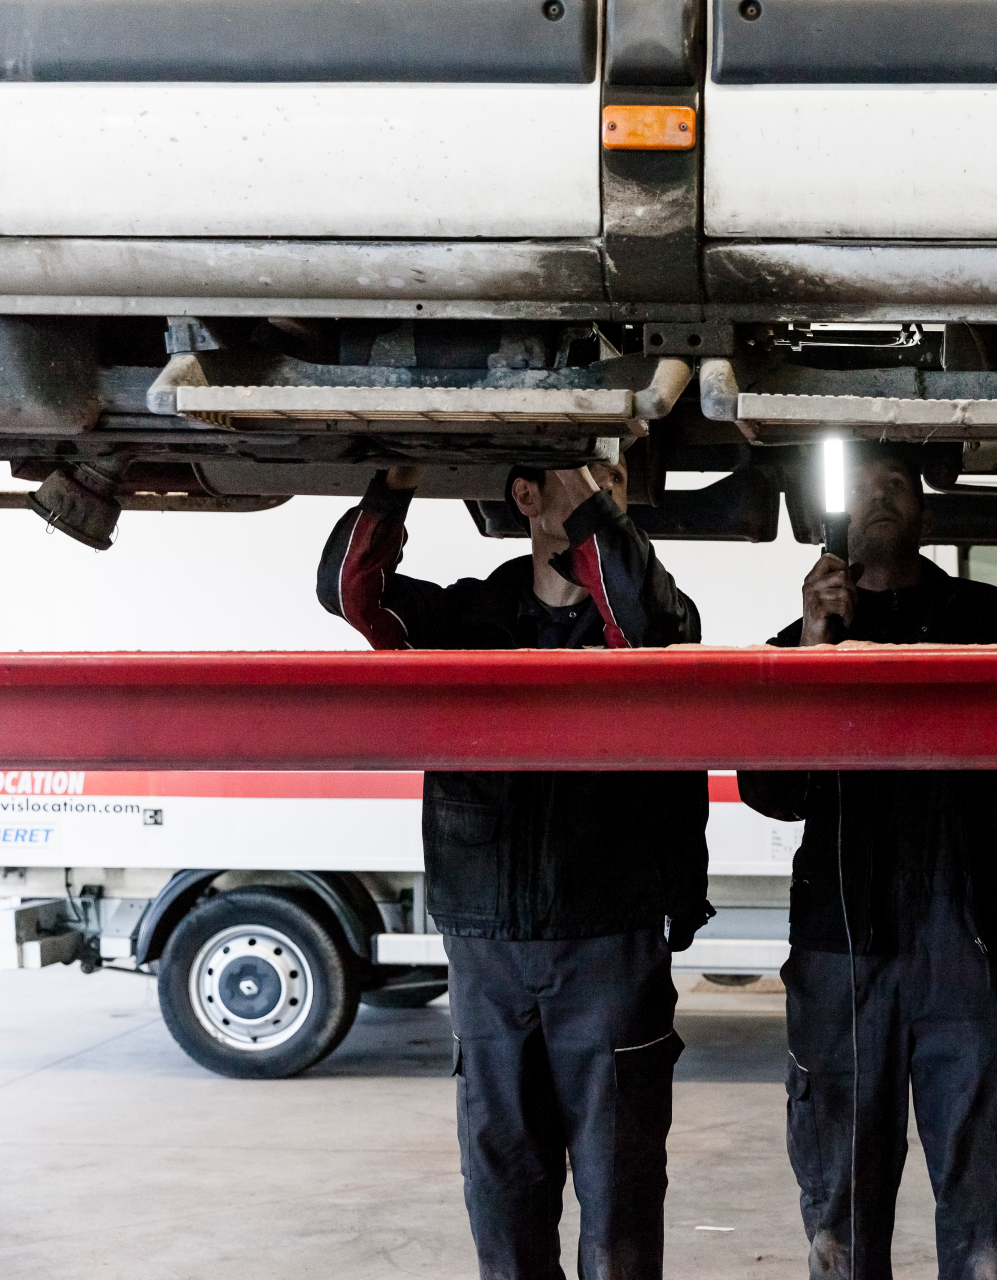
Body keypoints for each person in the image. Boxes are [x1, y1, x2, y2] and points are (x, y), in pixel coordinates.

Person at [318, 460, 711, 1280]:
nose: (604, 491)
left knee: (620, 1188)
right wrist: (391, 486)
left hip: (609, 943)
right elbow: (349, 591)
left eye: (614, 479)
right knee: (502, 1184)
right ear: (526, 496)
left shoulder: (655, 612)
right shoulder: (468, 614)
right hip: (488, 947)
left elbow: (641, 623)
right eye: (582, 475)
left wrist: (593, 515)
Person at [738, 443, 997, 1280]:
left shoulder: (992, 623)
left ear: (925, 512)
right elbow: (770, 790)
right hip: (845, 959)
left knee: (989, 1210)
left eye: (896, 486)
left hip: (973, 953)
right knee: (841, 1220)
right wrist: (810, 649)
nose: (879, 499)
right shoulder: (802, 641)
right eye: (864, 488)